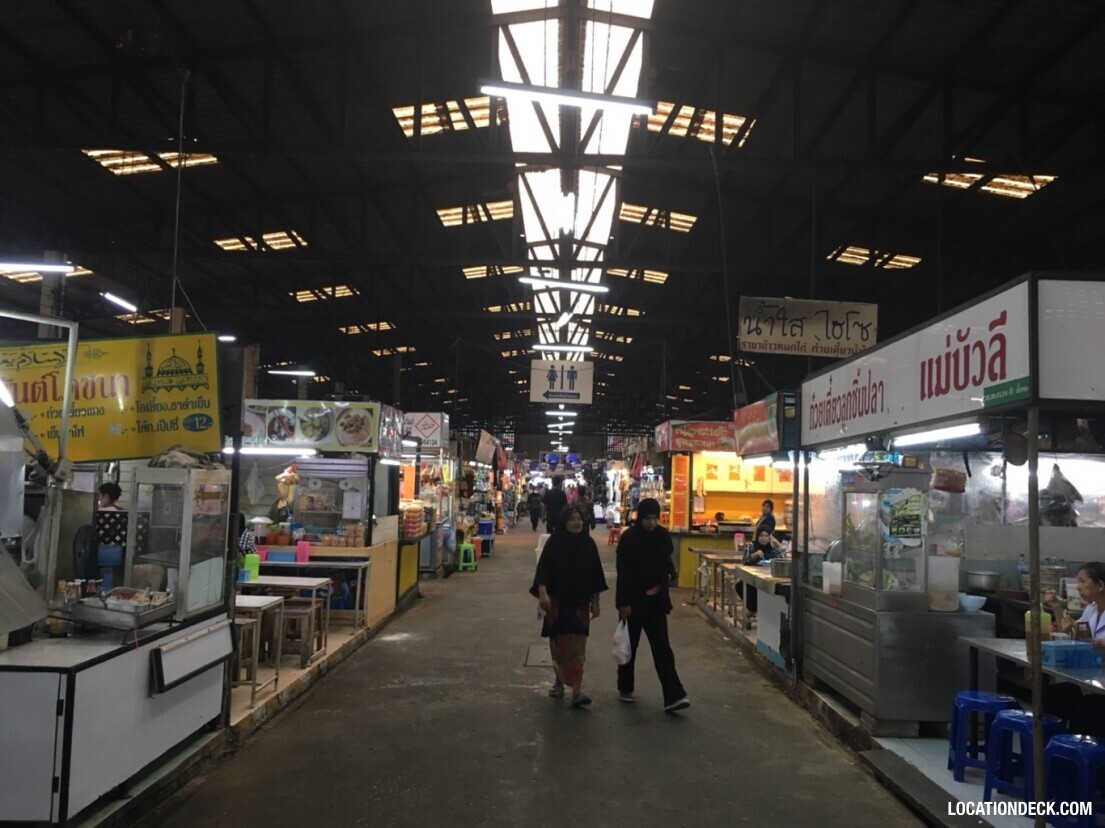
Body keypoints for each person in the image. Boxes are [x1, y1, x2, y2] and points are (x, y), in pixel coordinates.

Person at [614, 497, 690, 712]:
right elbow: (623, 572)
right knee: (629, 647)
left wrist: (670, 577)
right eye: (647, 518)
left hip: (655, 602)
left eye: (654, 518)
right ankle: (625, 687)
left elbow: (666, 562)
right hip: (633, 602)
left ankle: (674, 695)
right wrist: (622, 602)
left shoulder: (662, 536)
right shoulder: (629, 539)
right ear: (640, 518)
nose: (651, 523)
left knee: (662, 649)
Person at [530, 505, 608, 707]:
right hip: (557, 602)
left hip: (580, 603)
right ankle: (559, 682)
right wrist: (543, 593)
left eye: (579, 519)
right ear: (565, 521)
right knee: (559, 644)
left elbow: (595, 574)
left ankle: (577, 690)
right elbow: (543, 569)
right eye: (572, 519)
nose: (577, 523)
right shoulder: (555, 541)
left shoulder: (588, 543)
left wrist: (596, 601)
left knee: (578, 646)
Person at [739, 528, 783, 617]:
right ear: (757, 537)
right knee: (741, 586)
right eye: (761, 536)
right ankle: (753, 609)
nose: (764, 538)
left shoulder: (773, 547)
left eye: (766, 536)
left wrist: (778, 545)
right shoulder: (751, 546)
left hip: (769, 576)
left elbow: (781, 559)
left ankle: (761, 611)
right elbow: (745, 561)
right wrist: (754, 555)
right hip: (752, 577)